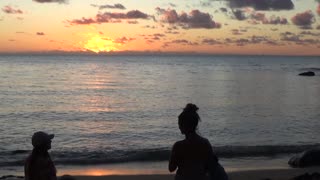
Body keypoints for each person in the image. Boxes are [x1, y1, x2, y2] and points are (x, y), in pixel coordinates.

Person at [169, 103, 228, 180]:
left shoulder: (178, 146)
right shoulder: (205, 143)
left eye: (179, 124)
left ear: (183, 125)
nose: (179, 126)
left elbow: (171, 168)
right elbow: (211, 165)